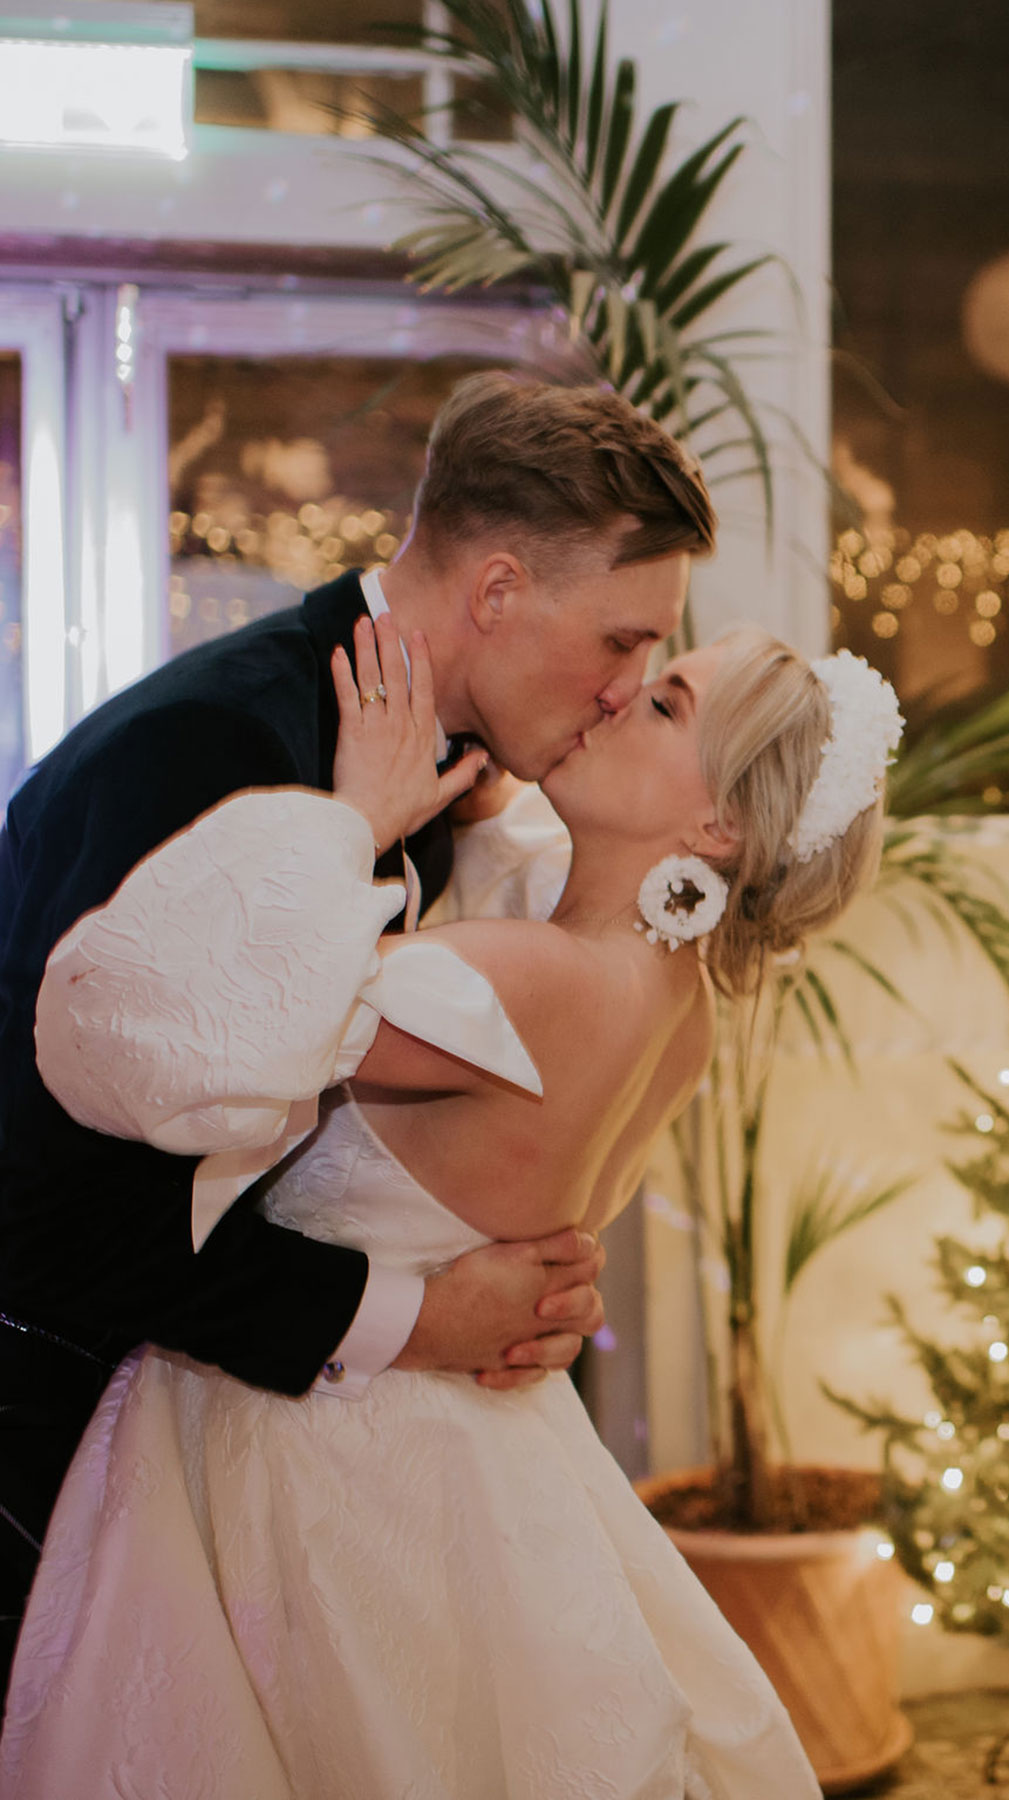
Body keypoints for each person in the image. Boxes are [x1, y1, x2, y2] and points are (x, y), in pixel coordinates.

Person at [0, 622, 902, 1797]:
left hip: (316, 1461)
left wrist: (354, 822)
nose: (622, 695)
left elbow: (206, 1021)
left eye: (669, 704)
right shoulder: (674, 1006)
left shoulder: (528, 981)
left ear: (718, 826)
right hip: (467, 1453)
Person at [0, 370, 717, 1693]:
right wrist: (415, 1314)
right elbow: (57, 1217)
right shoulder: (217, 743)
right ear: (498, 592)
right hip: (42, 1461)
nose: (630, 688)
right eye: (623, 641)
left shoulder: (433, 759)